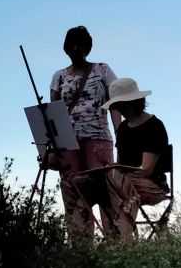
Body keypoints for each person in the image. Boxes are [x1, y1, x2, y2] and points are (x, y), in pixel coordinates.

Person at [61, 78, 170, 241]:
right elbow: (120, 165)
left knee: (114, 177)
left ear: (136, 101)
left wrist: (114, 172)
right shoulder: (124, 129)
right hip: (119, 183)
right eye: (118, 106)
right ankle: (79, 244)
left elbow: (146, 169)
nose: (121, 109)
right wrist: (105, 163)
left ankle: (123, 239)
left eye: (123, 104)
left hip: (152, 184)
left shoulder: (154, 126)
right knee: (74, 182)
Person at [49, 26, 121, 232]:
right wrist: (53, 148)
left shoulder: (103, 70)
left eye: (80, 45)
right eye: (71, 45)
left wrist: (120, 133)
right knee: (74, 194)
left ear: (87, 48)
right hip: (68, 144)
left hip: (98, 138)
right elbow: (52, 114)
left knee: (105, 190)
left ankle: (114, 240)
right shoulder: (59, 76)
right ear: (66, 48)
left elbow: (115, 102)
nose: (75, 49)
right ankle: (80, 245)